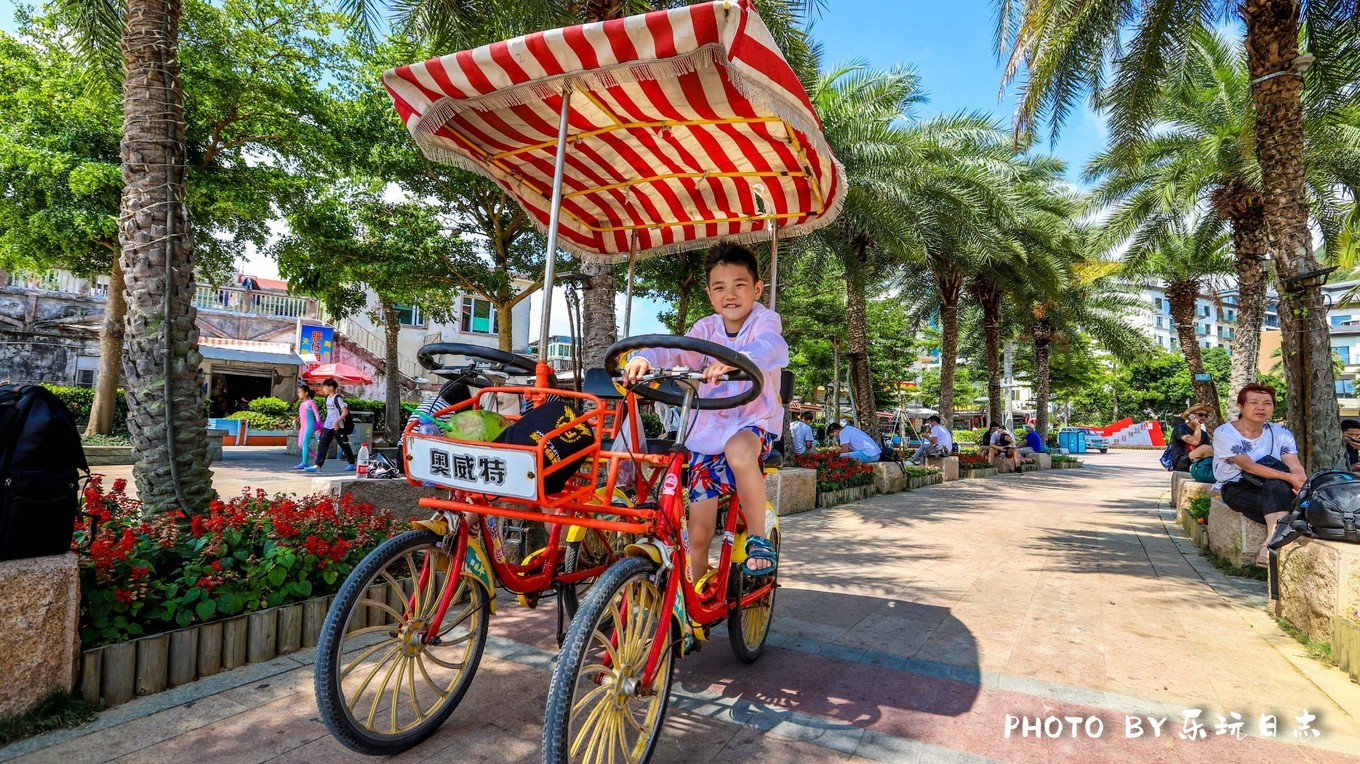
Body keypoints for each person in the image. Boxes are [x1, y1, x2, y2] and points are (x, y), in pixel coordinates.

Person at [623, 243, 786, 585]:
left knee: (739, 451)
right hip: (709, 430)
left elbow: (771, 346)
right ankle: (694, 591)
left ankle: (758, 538)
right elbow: (676, 349)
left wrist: (738, 358)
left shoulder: (764, 320)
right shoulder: (705, 329)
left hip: (751, 423)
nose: (730, 294)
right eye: (720, 287)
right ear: (710, 294)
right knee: (698, 531)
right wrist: (646, 358)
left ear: (757, 289)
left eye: (740, 285)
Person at [1213, 383, 1306, 567]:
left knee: (1277, 483)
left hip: (1274, 488)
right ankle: (1276, 540)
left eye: (1267, 403)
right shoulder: (1225, 432)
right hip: (1237, 487)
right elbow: (1249, 466)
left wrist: (1300, 482)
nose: (1261, 407)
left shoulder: (1281, 432)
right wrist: (1289, 478)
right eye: (1254, 402)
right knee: (1286, 495)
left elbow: (1294, 464)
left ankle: (1269, 542)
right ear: (1241, 406)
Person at [309, 378, 357, 472]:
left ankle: (352, 463)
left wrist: (336, 422)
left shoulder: (337, 398)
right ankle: (317, 465)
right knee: (322, 444)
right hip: (328, 426)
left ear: (331, 387)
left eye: (324, 387)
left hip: (338, 427)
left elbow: (345, 412)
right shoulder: (327, 398)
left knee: (344, 444)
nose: (323, 389)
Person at [1170, 404, 1214, 472]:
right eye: (1200, 414)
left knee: (1212, 449)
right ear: (1191, 416)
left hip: (1197, 461)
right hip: (1181, 462)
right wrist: (1197, 426)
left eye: (1206, 415)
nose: (1204, 417)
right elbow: (1195, 442)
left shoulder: (1204, 434)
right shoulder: (1180, 429)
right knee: (1206, 448)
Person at [293, 385, 322, 470]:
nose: (299, 394)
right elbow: (303, 414)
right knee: (300, 445)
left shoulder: (311, 402)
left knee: (304, 443)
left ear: (306, 393)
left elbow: (317, 415)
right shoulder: (302, 404)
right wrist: (298, 418)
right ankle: (316, 456)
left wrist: (318, 427)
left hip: (310, 426)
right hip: (303, 427)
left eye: (300, 392)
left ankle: (304, 463)